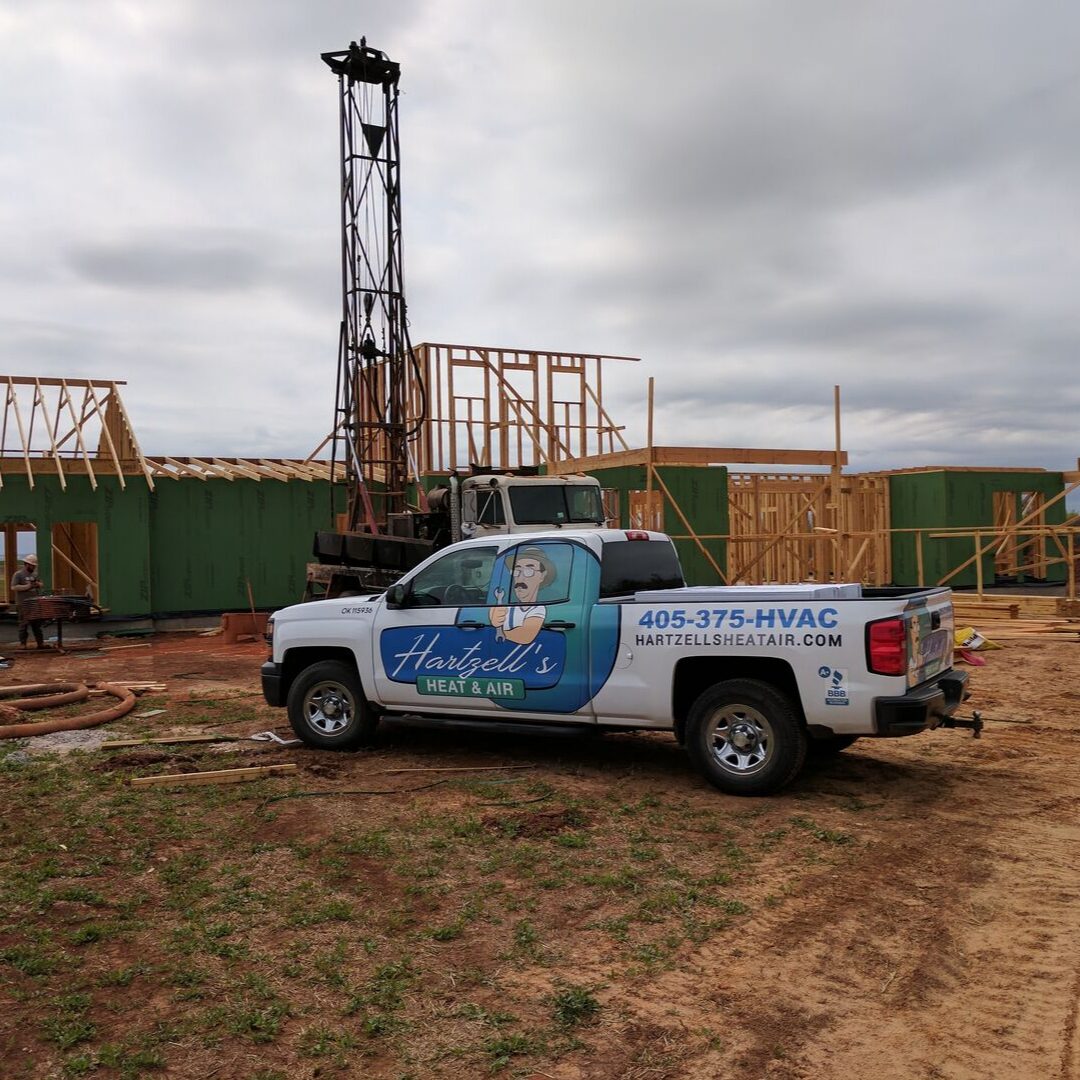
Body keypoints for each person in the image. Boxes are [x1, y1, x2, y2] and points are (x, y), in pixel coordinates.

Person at [490, 547, 555, 645]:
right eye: (517, 571)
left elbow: (524, 637)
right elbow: (493, 613)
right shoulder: (505, 606)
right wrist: (492, 617)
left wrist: (497, 630)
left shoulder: (538, 609)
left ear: (542, 575)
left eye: (529, 571)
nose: (520, 578)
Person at [10, 554, 45, 649]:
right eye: (32, 565)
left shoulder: (34, 575)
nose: (33, 567)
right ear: (26, 564)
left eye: (34, 566)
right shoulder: (18, 574)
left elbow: (41, 584)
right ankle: (23, 644)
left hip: (34, 603)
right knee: (23, 624)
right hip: (23, 604)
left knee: (36, 624)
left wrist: (38, 584)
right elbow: (14, 587)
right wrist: (27, 586)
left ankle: (40, 643)